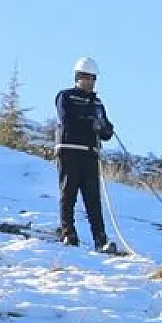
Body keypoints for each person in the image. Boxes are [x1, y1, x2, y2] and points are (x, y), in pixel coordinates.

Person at [54, 57, 118, 252]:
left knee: (93, 199)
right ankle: (68, 233)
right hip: (69, 150)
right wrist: (90, 123)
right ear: (77, 77)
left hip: (90, 154)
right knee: (68, 193)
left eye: (92, 78)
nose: (89, 82)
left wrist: (105, 128)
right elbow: (67, 121)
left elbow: (106, 132)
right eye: (85, 77)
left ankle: (100, 241)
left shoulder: (97, 103)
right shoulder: (66, 96)